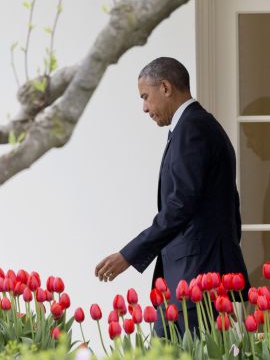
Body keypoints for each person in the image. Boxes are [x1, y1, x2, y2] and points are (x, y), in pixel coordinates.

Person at [94, 57, 249, 333]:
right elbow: (228, 207)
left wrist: (128, 255)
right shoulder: (198, 126)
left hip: (193, 283)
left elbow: (180, 206)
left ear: (165, 87)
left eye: (145, 97)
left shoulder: (193, 130)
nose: (144, 108)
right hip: (198, 281)